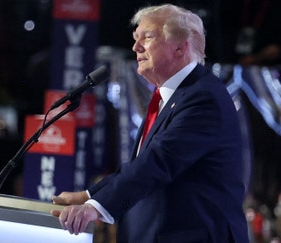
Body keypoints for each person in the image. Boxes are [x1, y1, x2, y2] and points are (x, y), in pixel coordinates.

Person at [51, 4, 249, 242]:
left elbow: (158, 161)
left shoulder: (203, 98)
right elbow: (141, 163)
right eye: (136, 38)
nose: (136, 47)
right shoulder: (172, 95)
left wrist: (95, 207)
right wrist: (88, 195)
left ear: (179, 46)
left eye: (148, 37)